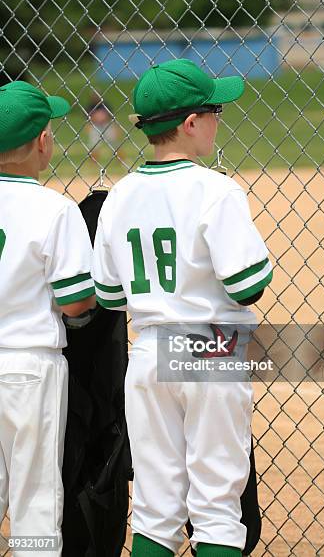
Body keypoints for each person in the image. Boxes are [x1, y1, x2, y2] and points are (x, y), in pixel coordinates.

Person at [92, 59, 272, 557]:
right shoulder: (216, 189)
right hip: (212, 348)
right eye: (214, 110)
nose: (219, 119)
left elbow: (109, 295)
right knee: (216, 506)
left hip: (148, 352)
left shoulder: (121, 194)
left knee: (155, 506)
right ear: (191, 124)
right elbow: (247, 283)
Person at [0, 81, 96, 556]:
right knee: (34, 496)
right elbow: (76, 301)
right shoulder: (53, 208)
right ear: (41, 141)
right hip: (29, 367)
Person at [86, 95, 120, 163]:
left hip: (106, 125)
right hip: (95, 126)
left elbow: (111, 116)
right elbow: (88, 118)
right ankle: (93, 163)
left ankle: (121, 160)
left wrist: (115, 128)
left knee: (115, 144)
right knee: (94, 145)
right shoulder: (90, 106)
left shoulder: (105, 105)